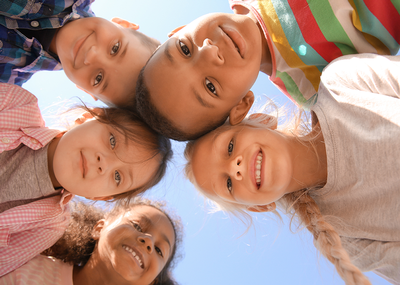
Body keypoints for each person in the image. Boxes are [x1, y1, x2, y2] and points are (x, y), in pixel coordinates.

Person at [184, 54, 400, 284]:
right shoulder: (345, 239)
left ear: (261, 119)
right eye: (228, 184)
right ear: (258, 207)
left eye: (229, 146)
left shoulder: (340, 84)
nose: (234, 168)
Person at [135, 0, 400, 141]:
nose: (209, 53)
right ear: (241, 106)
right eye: (210, 87)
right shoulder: (311, 87)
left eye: (184, 49)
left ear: (178, 29)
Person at [0, 83, 172, 276]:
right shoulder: (17, 106)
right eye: (112, 141)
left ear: (102, 197)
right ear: (87, 118)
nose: (103, 164)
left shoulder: (50, 227)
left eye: (117, 176)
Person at [0, 0, 160, 106]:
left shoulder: (6, 85)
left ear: (83, 89)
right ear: (123, 24)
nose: (92, 55)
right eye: (115, 48)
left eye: (98, 79)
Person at [0, 198, 183, 285]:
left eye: (159, 250)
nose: (149, 241)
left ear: (152, 282)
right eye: (137, 225)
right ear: (99, 228)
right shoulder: (30, 266)